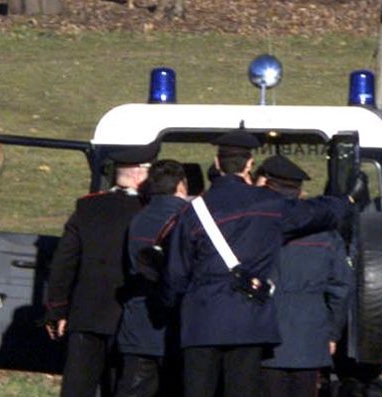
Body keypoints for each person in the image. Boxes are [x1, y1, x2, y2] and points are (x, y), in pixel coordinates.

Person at [163, 133, 364, 397]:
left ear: (217, 162)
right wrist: (346, 201)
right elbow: (316, 212)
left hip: (202, 319)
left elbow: (176, 273)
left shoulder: (193, 210)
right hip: (249, 317)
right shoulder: (268, 204)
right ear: (249, 164)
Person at [44, 143, 157, 397]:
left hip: (85, 314)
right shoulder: (147, 211)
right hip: (126, 317)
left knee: (77, 388)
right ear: (140, 174)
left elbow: (64, 262)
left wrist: (57, 308)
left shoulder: (87, 207)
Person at [254, 155, 355, 397]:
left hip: (265, 333)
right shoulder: (327, 235)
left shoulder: (257, 227)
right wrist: (332, 333)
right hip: (311, 333)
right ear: (299, 192)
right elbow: (341, 288)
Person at [115, 159, 189, 397]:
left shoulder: (138, 219)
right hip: (177, 324)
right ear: (181, 186)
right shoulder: (190, 219)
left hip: (138, 321)